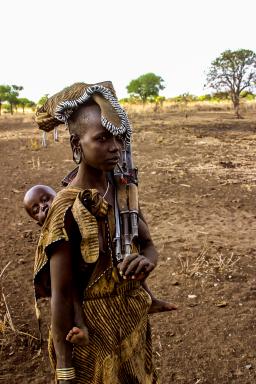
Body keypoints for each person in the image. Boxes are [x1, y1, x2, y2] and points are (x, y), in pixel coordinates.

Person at [33, 81, 174, 383]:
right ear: (76, 145)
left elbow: (148, 245)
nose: (116, 148)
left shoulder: (123, 190)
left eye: (120, 139)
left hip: (132, 324)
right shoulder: (66, 208)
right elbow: (61, 294)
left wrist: (147, 261)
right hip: (90, 335)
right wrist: (64, 366)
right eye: (103, 138)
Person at [23, 184, 89, 346]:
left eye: (46, 200)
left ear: (59, 198)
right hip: (71, 279)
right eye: (35, 210)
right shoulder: (50, 237)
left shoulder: (75, 211)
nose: (43, 207)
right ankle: (81, 327)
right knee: (71, 293)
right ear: (38, 223)